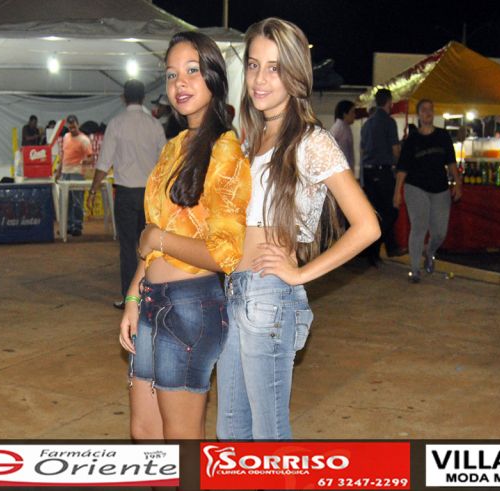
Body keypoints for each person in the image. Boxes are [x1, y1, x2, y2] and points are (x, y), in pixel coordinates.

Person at [216, 18, 380, 441]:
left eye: (274, 68)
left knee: (269, 438)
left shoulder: (311, 141)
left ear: (296, 74)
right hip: (234, 290)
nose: (260, 79)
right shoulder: (251, 139)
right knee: (231, 432)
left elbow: (367, 226)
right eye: (254, 65)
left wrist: (301, 274)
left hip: (269, 296)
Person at [118, 31, 251, 440]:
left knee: (181, 440)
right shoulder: (174, 146)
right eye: (172, 74)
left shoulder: (225, 150)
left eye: (193, 70)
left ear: (214, 77)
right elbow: (152, 235)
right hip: (152, 300)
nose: (180, 83)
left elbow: (225, 254)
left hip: (191, 307)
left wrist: (157, 240)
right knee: (144, 431)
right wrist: (133, 298)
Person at [87, 80, 167, 309]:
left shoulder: (116, 124)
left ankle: (129, 297)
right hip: (149, 195)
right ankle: (152, 295)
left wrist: (93, 189)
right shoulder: (155, 125)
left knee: (127, 247)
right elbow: (165, 162)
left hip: (125, 194)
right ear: (143, 98)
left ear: (123, 97)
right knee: (150, 245)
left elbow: (104, 162)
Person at [393, 99, 462, 282]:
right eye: (424, 110)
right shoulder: (412, 139)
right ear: (419, 114)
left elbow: (451, 162)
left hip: (440, 188)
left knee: (440, 232)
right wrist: (397, 192)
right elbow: (402, 168)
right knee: (419, 227)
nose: (428, 112)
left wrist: (458, 183)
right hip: (416, 187)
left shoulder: (443, 136)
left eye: (430, 109)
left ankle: (429, 252)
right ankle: (415, 269)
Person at [360, 88, 403, 265]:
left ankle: (375, 251)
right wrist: (399, 165)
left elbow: (363, 150)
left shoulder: (367, 124)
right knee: (391, 211)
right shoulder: (389, 122)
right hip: (383, 171)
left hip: (368, 172)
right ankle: (374, 247)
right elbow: (395, 150)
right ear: (389, 102)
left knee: (375, 211)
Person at [55, 115, 94, 236]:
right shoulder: (66, 137)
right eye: (70, 127)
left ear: (78, 125)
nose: (72, 129)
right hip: (65, 173)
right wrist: (58, 171)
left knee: (77, 201)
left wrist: (85, 161)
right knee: (65, 202)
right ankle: (67, 226)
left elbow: (91, 157)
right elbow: (63, 155)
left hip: (77, 173)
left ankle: (77, 226)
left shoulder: (84, 140)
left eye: (74, 127)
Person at [330, 100, 355, 167]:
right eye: (352, 112)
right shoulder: (340, 129)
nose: (354, 115)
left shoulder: (344, 127)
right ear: (344, 114)